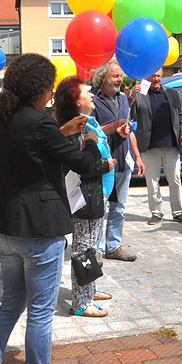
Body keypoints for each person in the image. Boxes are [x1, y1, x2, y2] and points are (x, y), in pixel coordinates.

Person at [0, 53, 103, 364]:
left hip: (9, 223)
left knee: (11, 304)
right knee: (41, 310)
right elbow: (85, 166)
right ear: (39, 88)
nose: (50, 95)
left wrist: (61, 133)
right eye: (48, 88)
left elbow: (30, 153)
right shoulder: (39, 123)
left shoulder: (1, 119)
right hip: (40, 226)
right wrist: (90, 140)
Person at [54, 77, 116, 318]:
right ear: (74, 99)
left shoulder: (87, 123)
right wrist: (105, 165)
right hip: (83, 198)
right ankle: (81, 301)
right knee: (83, 248)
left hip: (96, 194)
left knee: (91, 245)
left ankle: (89, 289)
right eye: (85, 91)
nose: (91, 93)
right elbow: (80, 165)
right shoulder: (74, 128)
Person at [92, 60, 144, 261]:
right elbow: (91, 131)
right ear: (103, 77)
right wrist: (114, 126)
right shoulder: (93, 100)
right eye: (116, 76)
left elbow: (129, 130)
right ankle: (96, 248)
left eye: (121, 76)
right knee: (100, 209)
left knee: (119, 208)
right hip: (103, 163)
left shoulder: (123, 99)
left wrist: (138, 157)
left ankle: (113, 246)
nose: (120, 80)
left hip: (124, 162)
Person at [130, 69, 182, 225]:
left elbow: (181, 115)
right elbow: (130, 115)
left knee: (175, 180)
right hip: (149, 145)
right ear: (147, 77)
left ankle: (178, 212)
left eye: (158, 76)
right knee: (152, 181)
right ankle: (156, 212)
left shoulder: (171, 93)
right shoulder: (141, 94)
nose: (156, 79)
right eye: (153, 76)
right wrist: (133, 97)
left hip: (171, 145)